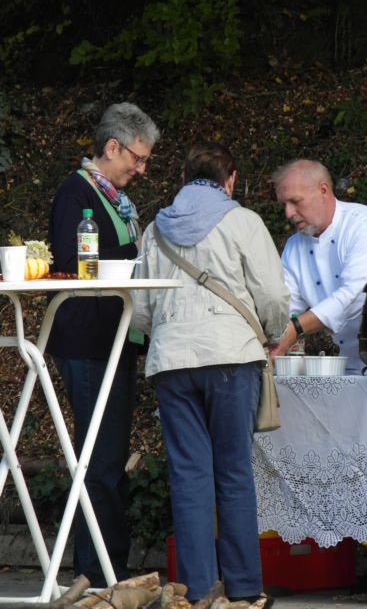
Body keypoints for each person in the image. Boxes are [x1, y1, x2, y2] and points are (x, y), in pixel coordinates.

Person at [133, 141, 289, 604]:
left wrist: (169, 331)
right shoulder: (243, 221)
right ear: (231, 179)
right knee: (235, 473)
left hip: (171, 363)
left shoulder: (154, 230)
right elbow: (274, 297)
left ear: (183, 178)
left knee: (189, 475)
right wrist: (272, 334)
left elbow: (140, 309)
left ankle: (198, 591)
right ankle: (243, 589)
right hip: (231, 358)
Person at [47, 102, 160, 586]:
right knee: (99, 458)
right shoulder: (77, 192)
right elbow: (75, 260)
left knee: (108, 456)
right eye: (137, 157)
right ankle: (96, 572)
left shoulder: (114, 198)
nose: (142, 167)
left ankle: (106, 565)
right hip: (88, 339)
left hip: (117, 338)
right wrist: (136, 255)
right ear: (111, 147)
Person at [271, 159, 367, 373]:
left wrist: (296, 328)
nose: (288, 213)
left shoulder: (365, 225)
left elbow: (355, 296)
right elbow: (284, 305)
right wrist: (268, 337)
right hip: (353, 364)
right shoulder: (294, 247)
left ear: (323, 190)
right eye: (283, 205)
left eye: (296, 201)